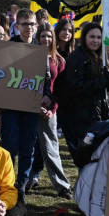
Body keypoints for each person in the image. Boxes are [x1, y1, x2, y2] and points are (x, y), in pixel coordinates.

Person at [58, 22, 109, 155]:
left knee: (101, 157)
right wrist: (102, 81)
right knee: (86, 157)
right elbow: (77, 87)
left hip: (103, 115)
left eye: (99, 37)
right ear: (84, 38)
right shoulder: (77, 58)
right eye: (92, 37)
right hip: (83, 117)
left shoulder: (104, 58)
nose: (96, 41)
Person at [0, 8, 44, 195]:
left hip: (31, 106)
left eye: (32, 24)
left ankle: (23, 181)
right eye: (25, 24)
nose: (29, 27)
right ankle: (7, 180)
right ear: (17, 26)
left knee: (28, 144)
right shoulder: (8, 46)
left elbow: (47, 78)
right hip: (10, 105)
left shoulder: (41, 48)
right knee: (9, 145)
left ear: (37, 26)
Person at [27, 23, 73, 198]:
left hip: (49, 110)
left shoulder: (59, 60)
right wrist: (35, 103)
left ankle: (62, 186)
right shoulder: (30, 57)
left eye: (49, 36)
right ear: (38, 38)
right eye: (43, 36)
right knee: (27, 147)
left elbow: (61, 88)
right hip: (29, 107)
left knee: (50, 147)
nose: (46, 39)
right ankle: (26, 180)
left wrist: (52, 108)